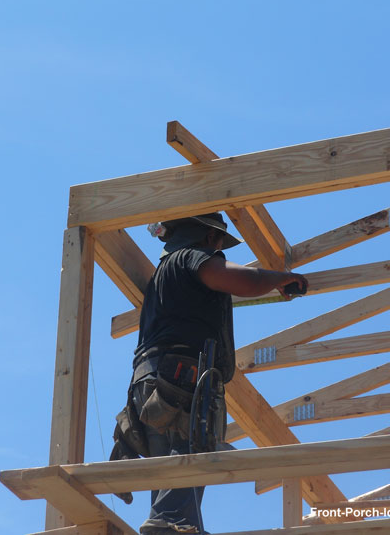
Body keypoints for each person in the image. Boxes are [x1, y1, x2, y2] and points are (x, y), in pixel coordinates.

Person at [122, 212, 307, 535]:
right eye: (219, 241)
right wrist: (280, 278)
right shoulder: (190, 259)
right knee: (188, 456)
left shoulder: (165, 275)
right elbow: (244, 281)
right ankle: (169, 523)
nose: (220, 248)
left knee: (176, 472)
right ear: (208, 238)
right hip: (177, 381)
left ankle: (180, 524)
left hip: (154, 385)